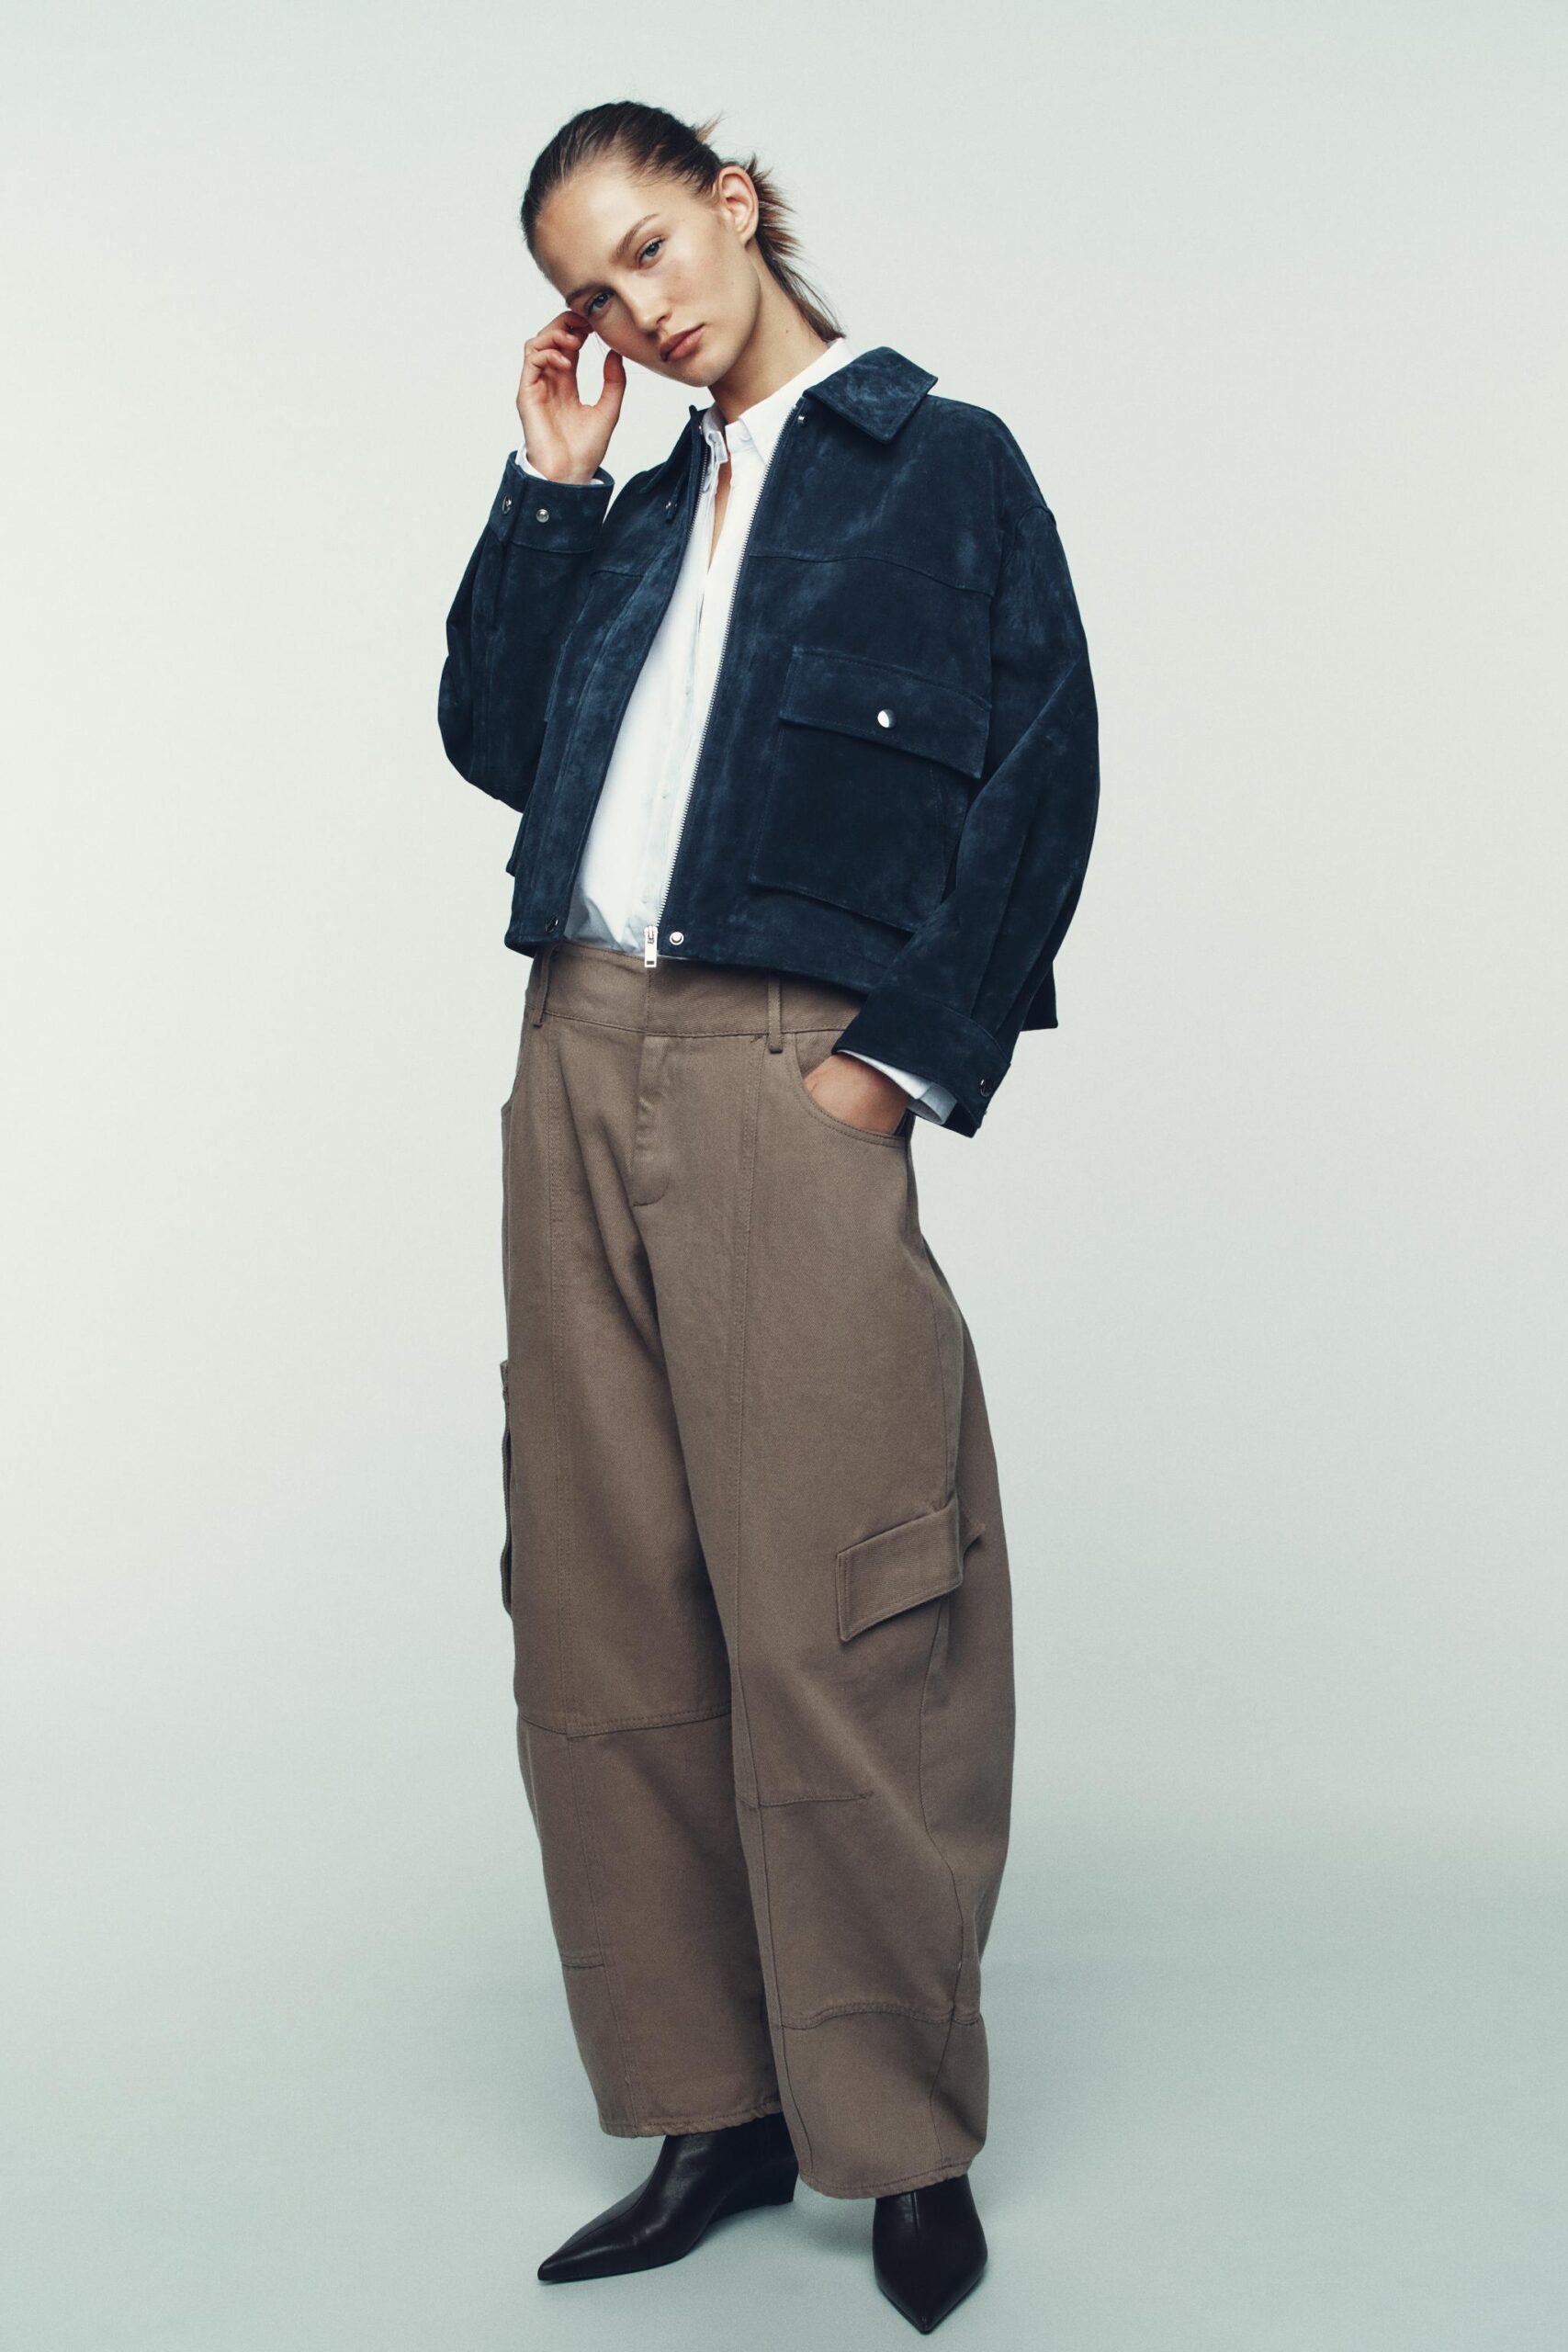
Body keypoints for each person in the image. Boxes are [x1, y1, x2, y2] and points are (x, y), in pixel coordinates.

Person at [437, 98, 1099, 2335]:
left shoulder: (942, 466)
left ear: (731, 200)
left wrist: (888, 1064)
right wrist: (547, 489)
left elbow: (1040, 768)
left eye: (649, 246)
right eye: (590, 288)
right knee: (603, 1604)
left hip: (780, 1065)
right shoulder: (627, 512)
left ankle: (896, 2133)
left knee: (836, 1601)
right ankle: (702, 2108)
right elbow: (490, 738)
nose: (634, 308)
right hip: (572, 1042)